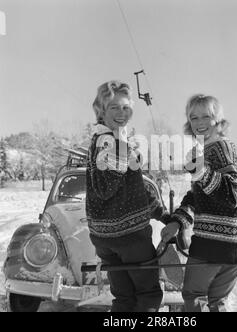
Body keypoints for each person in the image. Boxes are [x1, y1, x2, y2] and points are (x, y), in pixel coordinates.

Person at [160, 94, 237, 312]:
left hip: (217, 244)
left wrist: (201, 171)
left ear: (218, 121)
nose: (199, 123)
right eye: (194, 118)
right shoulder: (215, 148)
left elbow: (232, 195)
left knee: (194, 296)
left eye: (206, 116)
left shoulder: (218, 149)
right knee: (216, 301)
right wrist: (179, 221)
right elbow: (198, 194)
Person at [86, 80, 169, 312]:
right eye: (114, 107)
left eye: (125, 107)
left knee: (123, 299)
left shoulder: (110, 138)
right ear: (101, 110)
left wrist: (162, 214)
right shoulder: (109, 141)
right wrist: (123, 152)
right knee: (148, 295)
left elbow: (133, 189)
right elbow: (104, 188)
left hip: (106, 237)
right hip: (129, 237)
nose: (121, 113)